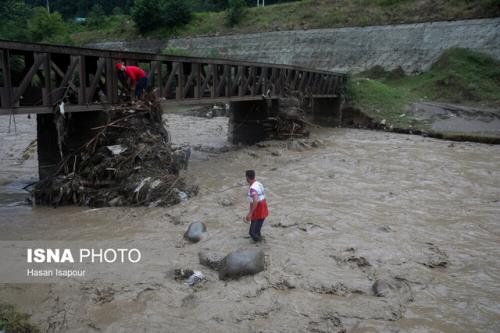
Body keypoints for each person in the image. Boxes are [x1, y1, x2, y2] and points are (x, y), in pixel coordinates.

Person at [245, 170, 269, 242]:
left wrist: (250, 213)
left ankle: (259, 241)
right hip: (264, 204)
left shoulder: (252, 189)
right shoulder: (259, 183)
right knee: (257, 229)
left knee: (252, 232)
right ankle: (260, 238)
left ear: (247, 178)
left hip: (258, 207)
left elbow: (255, 200)